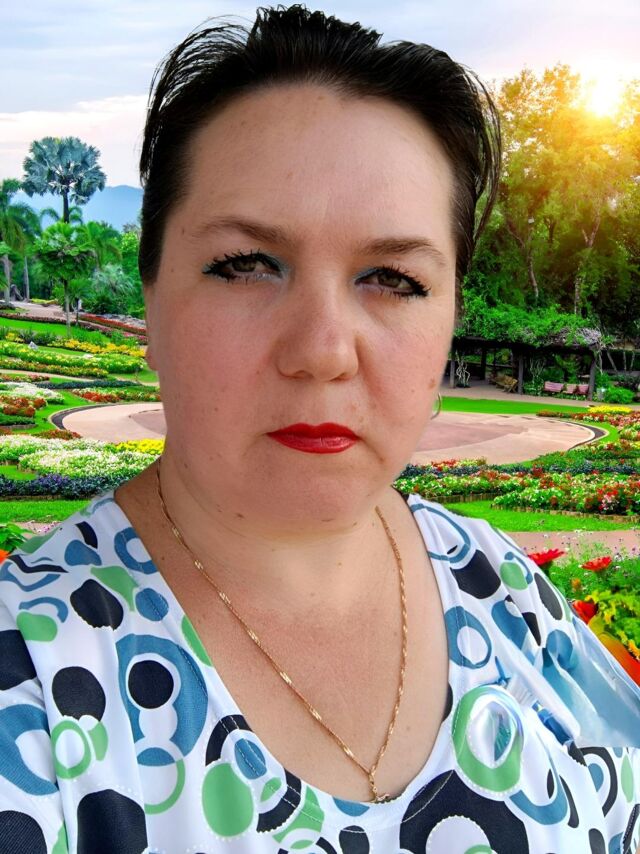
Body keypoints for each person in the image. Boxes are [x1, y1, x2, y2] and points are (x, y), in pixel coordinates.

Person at [0, 5, 639, 852]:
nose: (323, 351)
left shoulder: (505, 590)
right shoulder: (32, 685)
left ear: (450, 316)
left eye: (393, 278)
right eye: (245, 265)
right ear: (148, 301)